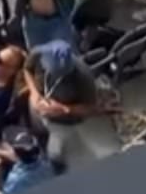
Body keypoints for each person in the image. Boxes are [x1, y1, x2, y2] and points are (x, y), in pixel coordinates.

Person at [23, 40, 99, 168]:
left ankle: (58, 169)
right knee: (38, 135)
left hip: (62, 122)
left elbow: (91, 108)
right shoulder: (39, 52)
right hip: (37, 106)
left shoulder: (83, 76)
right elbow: (27, 69)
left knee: (55, 155)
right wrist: (34, 93)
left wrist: (65, 109)